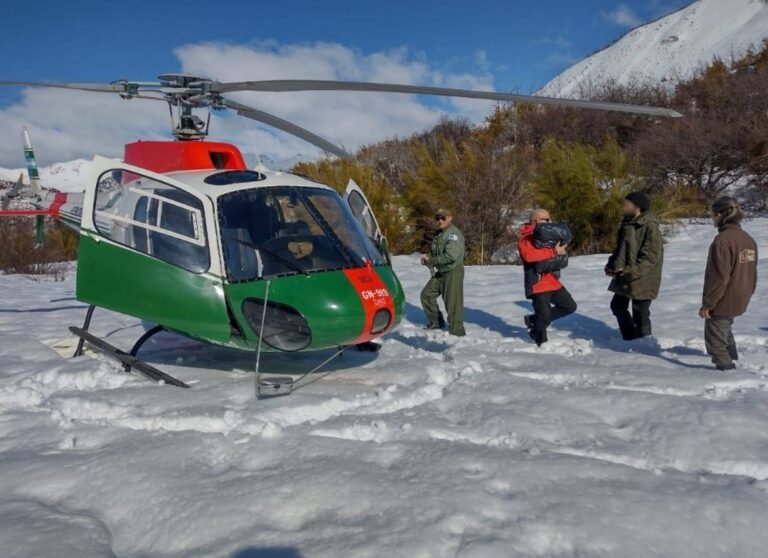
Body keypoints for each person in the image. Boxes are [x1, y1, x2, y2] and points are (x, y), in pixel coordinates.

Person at [699, 197, 758, 371]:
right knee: (725, 327)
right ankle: (733, 357)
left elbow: (718, 277)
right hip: (741, 295)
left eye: (712, 214)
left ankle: (727, 369)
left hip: (724, 298)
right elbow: (752, 272)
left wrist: (708, 304)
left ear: (719, 215)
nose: (711, 218)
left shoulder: (723, 241)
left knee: (715, 339)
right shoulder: (747, 239)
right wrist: (749, 291)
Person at [605, 192, 664, 340]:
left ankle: (644, 344)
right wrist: (612, 264)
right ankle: (630, 338)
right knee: (618, 306)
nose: (623, 207)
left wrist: (629, 271)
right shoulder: (627, 222)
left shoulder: (649, 226)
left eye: (626, 204)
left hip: (643, 276)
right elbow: (621, 249)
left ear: (637, 207)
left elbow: (650, 258)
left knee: (640, 312)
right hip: (624, 274)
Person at [518, 209, 576, 346]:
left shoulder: (549, 236)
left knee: (569, 306)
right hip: (537, 284)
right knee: (543, 317)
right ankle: (540, 343)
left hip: (552, 281)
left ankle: (534, 320)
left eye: (550, 219)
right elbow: (529, 256)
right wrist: (554, 251)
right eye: (546, 219)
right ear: (536, 221)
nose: (550, 222)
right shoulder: (525, 238)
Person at [420, 208, 466, 337]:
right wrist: (428, 257)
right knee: (427, 295)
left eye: (443, 218)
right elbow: (436, 253)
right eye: (437, 218)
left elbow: (450, 256)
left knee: (453, 304)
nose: (440, 221)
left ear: (450, 218)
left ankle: (457, 333)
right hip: (441, 271)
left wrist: (432, 261)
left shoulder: (454, 234)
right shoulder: (438, 234)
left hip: (452, 272)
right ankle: (437, 322)